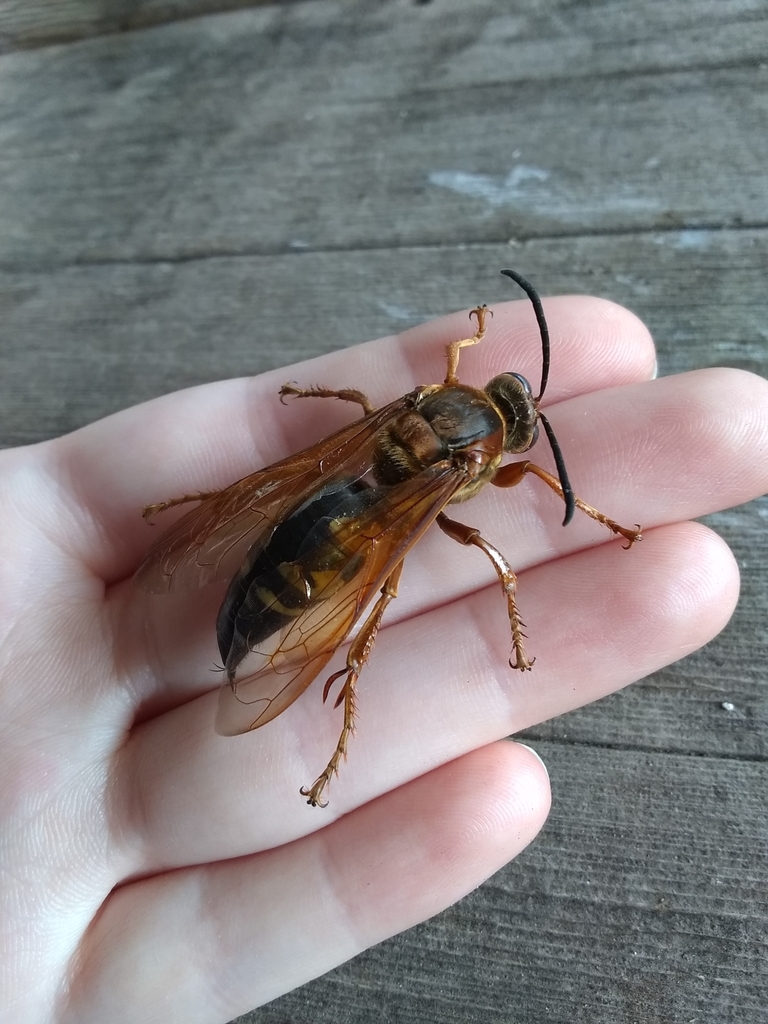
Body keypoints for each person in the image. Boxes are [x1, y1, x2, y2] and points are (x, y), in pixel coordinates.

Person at [2, 296, 766, 1024]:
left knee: (307, 497)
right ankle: (346, 685)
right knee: (375, 580)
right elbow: (520, 471)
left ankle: (266, 584)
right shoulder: (473, 458)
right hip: (339, 528)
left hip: (320, 502)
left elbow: (389, 403)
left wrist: (464, 352)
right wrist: (531, 561)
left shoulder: (419, 403)